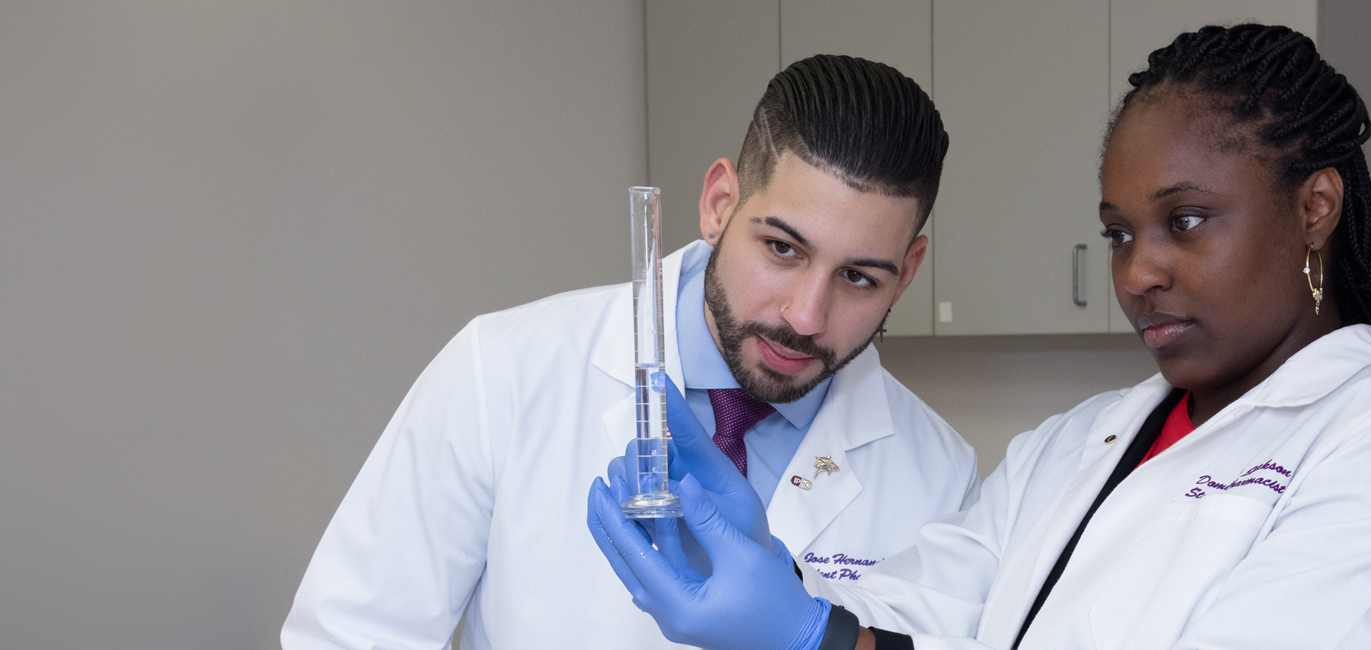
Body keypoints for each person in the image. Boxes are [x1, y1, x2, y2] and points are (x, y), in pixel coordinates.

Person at [586, 24, 1371, 650]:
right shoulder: (1076, 447)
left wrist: (806, 637)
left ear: (1315, 207)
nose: (1138, 271)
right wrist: (785, 590)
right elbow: (909, 620)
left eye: (1184, 222)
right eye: (1119, 233)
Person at [284, 55, 980, 650]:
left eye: (859, 277)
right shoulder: (502, 372)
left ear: (908, 270)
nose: (804, 315)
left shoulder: (939, 476)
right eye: (781, 248)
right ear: (718, 203)